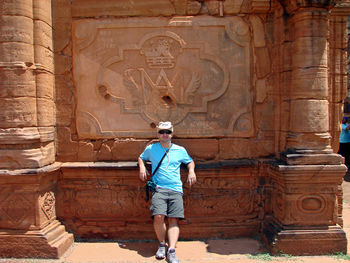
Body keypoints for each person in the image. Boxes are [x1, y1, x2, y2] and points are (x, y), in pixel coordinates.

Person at [138, 121, 196, 263]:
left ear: (172, 133)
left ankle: (171, 250)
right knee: (158, 216)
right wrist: (142, 167)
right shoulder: (151, 149)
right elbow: (141, 157)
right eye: (162, 132)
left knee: (173, 219)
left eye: (168, 132)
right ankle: (162, 244)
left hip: (175, 188)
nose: (165, 134)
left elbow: (190, 161)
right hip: (159, 188)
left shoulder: (180, 150)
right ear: (158, 134)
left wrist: (191, 171)